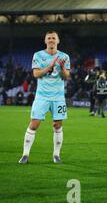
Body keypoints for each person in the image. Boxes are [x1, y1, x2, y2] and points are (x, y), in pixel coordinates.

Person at [19, 31, 71, 164]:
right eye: (49, 38)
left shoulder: (64, 56)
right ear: (45, 40)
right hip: (42, 96)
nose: (52, 40)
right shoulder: (38, 55)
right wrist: (49, 67)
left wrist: (62, 68)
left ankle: (56, 155)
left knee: (57, 124)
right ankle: (25, 154)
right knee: (34, 124)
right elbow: (36, 74)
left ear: (58, 40)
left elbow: (66, 77)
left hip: (58, 97)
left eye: (54, 38)